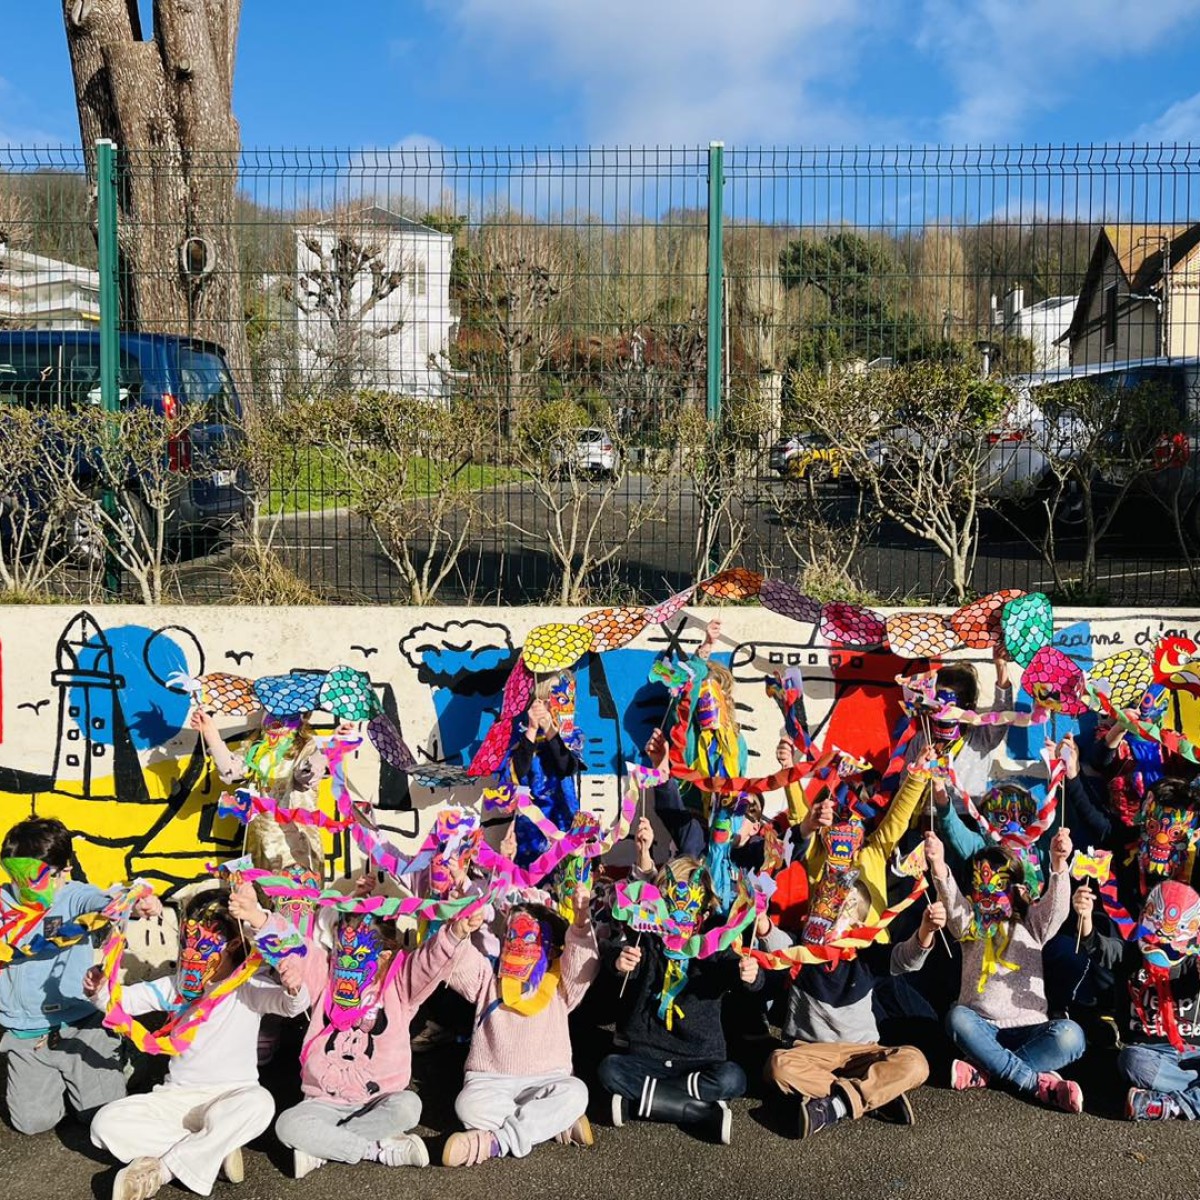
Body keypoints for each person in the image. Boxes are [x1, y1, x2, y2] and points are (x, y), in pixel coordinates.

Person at [87, 885, 308, 1200]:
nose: (191, 954)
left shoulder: (249, 988)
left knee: (261, 1103)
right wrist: (98, 990)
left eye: (202, 945)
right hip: (176, 1099)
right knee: (104, 1125)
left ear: (233, 944)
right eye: (186, 943)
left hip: (232, 1096)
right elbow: (123, 1002)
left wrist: (294, 987)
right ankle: (211, 1151)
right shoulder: (177, 987)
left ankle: (162, 1170)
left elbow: (293, 1006)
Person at [273, 876, 473, 1178]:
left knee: (409, 1106)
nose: (349, 963)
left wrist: (456, 931)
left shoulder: (400, 985)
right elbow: (295, 949)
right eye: (343, 952)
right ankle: (376, 1148)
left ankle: (323, 1147)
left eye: (360, 956)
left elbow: (429, 962)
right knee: (287, 1124)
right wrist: (255, 916)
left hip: (380, 1101)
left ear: (384, 956)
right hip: (322, 1102)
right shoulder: (324, 975)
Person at [0, 817, 160, 1135]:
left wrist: (137, 902)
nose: (27, 888)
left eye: (38, 878)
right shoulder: (4, 903)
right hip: (27, 1034)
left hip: (81, 1027)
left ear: (65, 870)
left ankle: (124, 1059)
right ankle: (57, 1082)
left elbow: (108, 901)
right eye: (18, 877)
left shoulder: (75, 896)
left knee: (100, 1116)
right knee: (33, 1122)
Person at [597, 856, 762, 1145]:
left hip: (700, 1056)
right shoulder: (646, 937)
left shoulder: (716, 945)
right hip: (647, 1052)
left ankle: (639, 1103)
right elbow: (616, 951)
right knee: (609, 1068)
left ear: (705, 911)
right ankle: (700, 1112)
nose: (681, 920)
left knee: (733, 1078)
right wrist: (619, 961)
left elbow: (747, 979)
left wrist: (751, 975)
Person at [761, 887, 944, 1137]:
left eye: (842, 907)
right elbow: (772, 939)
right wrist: (759, 916)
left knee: (916, 1063)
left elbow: (907, 958)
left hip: (862, 1052)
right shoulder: (800, 951)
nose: (831, 911)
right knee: (778, 1066)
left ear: (857, 922)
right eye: (827, 903)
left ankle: (835, 1105)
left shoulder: (866, 956)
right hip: (810, 1053)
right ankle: (873, 1095)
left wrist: (926, 929)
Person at [927, 828, 1086, 1112]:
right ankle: (1037, 1083)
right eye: (981, 883)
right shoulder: (969, 924)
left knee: (1071, 1035)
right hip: (982, 1028)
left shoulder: (1033, 923)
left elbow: (1057, 909)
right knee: (957, 1018)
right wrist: (938, 864)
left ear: (1016, 887)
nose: (988, 892)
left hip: (1032, 1029)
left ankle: (985, 1071)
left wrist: (1059, 863)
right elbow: (951, 901)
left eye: (999, 883)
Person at [441, 886, 599, 1166]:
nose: (518, 944)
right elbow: (456, 961)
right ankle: (550, 1123)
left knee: (577, 1092)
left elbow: (582, 965)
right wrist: (458, 926)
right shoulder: (487, 980)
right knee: (467, 1106)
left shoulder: (560, 986)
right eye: (511, 935)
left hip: (548, 1079)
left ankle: (494, 1143)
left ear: (549, 945)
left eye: (530, 937)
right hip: (490, 1083)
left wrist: (581, 920)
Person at [1075, 879, 1200, 1120]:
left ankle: (1167, 1105)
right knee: (1130, 1060)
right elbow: (1098, 947)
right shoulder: (1131, 955)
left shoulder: (1192, 964)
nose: (1163, 940)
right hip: (1150, 1054)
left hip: (1193, 1053)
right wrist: (1085, 916)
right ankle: (1189, 1097)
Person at [501, 671, 586, 867]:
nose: (552, 706)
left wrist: (550, 730)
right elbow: (516, 773)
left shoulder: (571, 735)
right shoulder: (520, 735)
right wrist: (532, 729)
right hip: (531, 823)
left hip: (564, 817)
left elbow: (567, 766)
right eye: (549, 700)